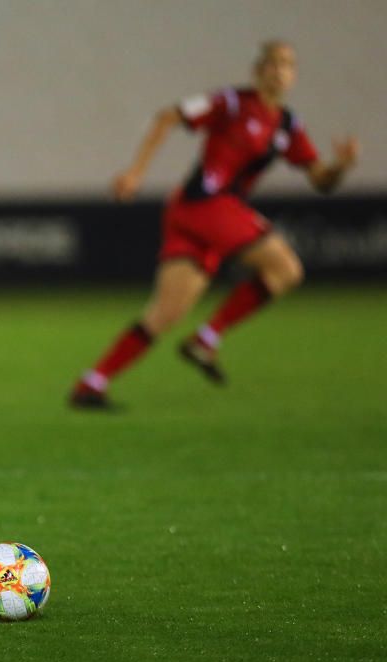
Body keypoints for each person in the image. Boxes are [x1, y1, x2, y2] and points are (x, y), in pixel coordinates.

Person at [69, 40, 359, 409]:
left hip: (197, 213)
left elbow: (321, 181)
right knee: (286, 268)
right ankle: (206, 339)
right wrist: (135, 172)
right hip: (205, 204)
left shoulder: (287, 125)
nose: (279, 71)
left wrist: (341, 166)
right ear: (257, 71)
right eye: (272, 64)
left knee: (165, 313)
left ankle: (91, 384)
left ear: (294, 76)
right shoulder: (232, 103)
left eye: (287, 65)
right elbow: (167, 116)